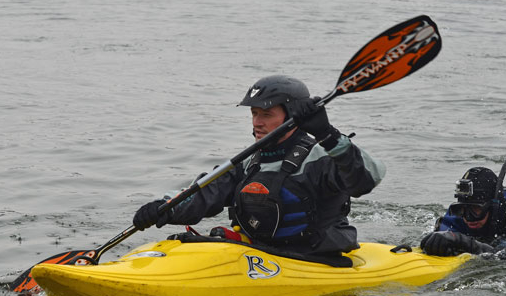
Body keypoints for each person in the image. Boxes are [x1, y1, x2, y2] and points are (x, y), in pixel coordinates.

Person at [132, 75, 386, 258]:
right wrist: (164, 208)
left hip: (316, 259)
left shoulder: (321, 157)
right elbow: (204, 193)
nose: (257, 122)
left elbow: (366, 180)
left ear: (292, 116)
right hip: (262, 253)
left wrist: (328, 134)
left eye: (266, 114)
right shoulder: (247, 162)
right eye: (254, 113)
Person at [420, 155, 506, 259]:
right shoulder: (460, 213)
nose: (468, 218)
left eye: (476, 210)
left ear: (494, 205)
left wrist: (467, 244)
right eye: (463, 209)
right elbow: (444, 233)